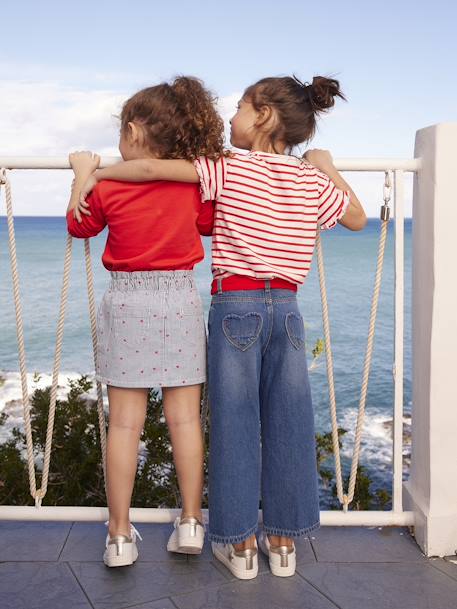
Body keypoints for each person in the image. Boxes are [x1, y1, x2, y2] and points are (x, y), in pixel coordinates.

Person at [77, 74, 367, 578]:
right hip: (289, 308)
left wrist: (93, 172)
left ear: (263, 116)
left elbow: (147, 169)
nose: (231, 117)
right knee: (289, 423)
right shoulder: (311, 179)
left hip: (236, 306)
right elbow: (358, 218)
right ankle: (283, 545)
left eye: (238, 108)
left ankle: (239, 548)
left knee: (234, 424)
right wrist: (328, 166)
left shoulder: (226, 168)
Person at [66, 76, 224, 567]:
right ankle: (192, 521)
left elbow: (79, 224)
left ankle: (118, 535)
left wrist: (83, 172)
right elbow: (209, 222)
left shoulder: (110, 182)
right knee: (184, 420)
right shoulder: (193, 183)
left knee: (125, 425)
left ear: (132, 131)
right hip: (179, 299)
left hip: (128, 303)